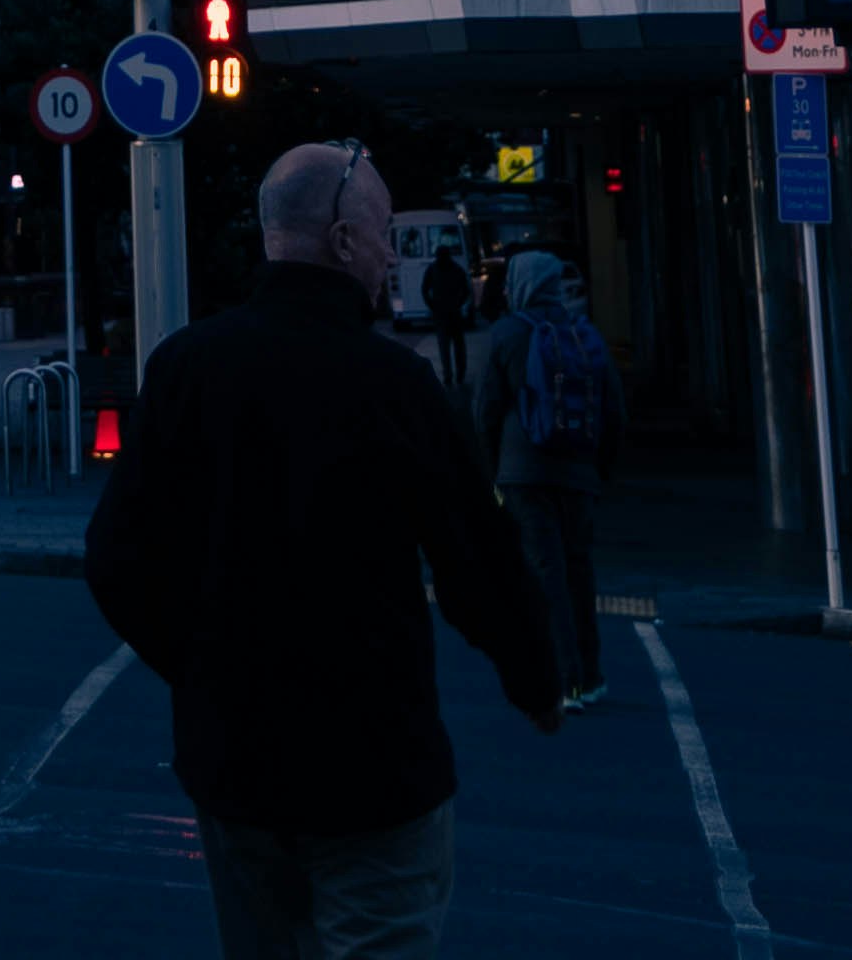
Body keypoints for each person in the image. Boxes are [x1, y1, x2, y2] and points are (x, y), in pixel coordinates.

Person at [84, 134, 560, 958]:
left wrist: (203, 667)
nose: (386, 259)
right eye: (380, 237)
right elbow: (478, 559)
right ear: (342, 241)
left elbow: (117, 559)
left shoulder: (187, 370)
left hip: (233, 767)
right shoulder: (398, 387)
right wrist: (536, 677)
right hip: (374, 771)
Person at [467, 243, 623, 714]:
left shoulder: (507, 333)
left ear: (519, 285)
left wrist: (494, 471)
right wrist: (600, 472)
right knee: (579, 573)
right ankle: (589, 676)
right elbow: (614, 411)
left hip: (524, 475)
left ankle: (562, 681)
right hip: (577, 476)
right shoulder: (583, 334)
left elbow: (486, 411)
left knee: (544, 573)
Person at [419, 240, 474, 408]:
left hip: (442, 314)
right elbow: (466, 290)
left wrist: (433, 305)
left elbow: (424, 289)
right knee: (458, 347)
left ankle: (450, 377)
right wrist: (458, 303)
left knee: (446, 347)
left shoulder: (433, 269)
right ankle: (458, 376)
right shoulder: (456, 269)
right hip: (452, 313)